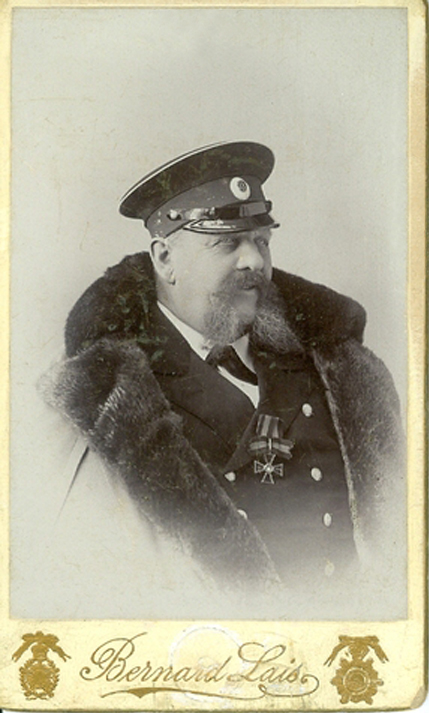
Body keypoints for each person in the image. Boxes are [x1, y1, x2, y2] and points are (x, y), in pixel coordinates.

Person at [45, 141, 405, 617]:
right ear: (165, 259)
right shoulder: (111, 407)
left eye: (261, 241)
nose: (254, 261)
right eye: (227, 242)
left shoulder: (334, 367)